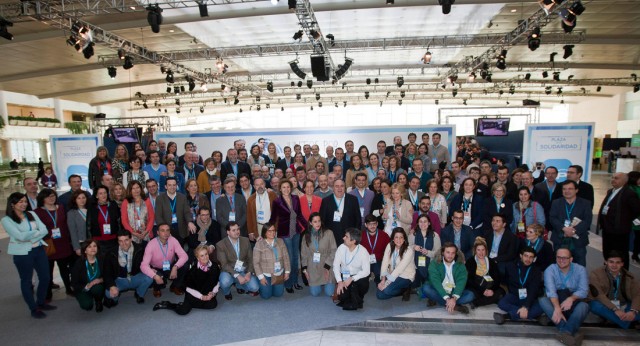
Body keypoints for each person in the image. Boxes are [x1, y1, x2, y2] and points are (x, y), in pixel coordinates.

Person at [2, 192, 55, 318]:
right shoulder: (7, 220)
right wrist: (36, 233)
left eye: (25, 201)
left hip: (39, 250)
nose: (24, 204)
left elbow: (44, 230)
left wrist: (31, 235)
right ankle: (33, 308)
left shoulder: (32, 214)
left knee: (45, 277)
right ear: (12, 204)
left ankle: (41, 302)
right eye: (20, 202)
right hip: (22, 254)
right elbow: (19, 236)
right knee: (26, 281)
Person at [538, 248, 590, 346]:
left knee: (584, 306)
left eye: (565, 258)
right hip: (557, 301)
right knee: (543, 301)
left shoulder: (580, 270)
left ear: (571, 259)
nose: (561, 260)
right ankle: (569, 332)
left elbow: (583, 291)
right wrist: (557, 308)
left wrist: (571, 299)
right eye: (559, 257)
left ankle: (564, 333)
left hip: (574, 301)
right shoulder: (550, 269)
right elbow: (551, 291)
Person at [153, 245, 221, 315]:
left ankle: (188, 304)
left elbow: (217, 282)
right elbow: (188, 288)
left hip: (206, 292)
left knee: (213, 305)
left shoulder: (215, 266)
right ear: (198, 258)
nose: (205, 257)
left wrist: (213, 293)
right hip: (194, 293)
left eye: (206, 254)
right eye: (202, 256)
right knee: (183, 311)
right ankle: (168, 304)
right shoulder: (193, 271)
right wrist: (201, 297)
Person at [34, 188, 75, 299]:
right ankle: (48, 292)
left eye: (53, 196)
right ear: (42, 199)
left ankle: (68, 288)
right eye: (48, 196)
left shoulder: (61, 208)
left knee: (64, 269)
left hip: (63, 243)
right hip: (48, 244)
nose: (51, 198)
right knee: (48, 270)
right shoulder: (37, 212)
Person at [269, 180, 307, 293]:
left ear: (291, 188)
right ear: (280, 189)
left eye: (288, 187)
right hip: (284, 233)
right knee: (289, 258)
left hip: (296, 231)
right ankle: (288, 283)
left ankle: (295, 281)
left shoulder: (295, 198)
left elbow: (299, 215)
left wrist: (308, 226)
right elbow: (273, 218)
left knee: (296, 258)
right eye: (283, 187)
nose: (286, 189)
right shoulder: (277, 201)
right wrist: (267, 230)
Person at [588, 250, 640, 329]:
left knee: (636, 306)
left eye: (617, 262)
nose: (614, 265)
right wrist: (615, 309)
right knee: (593, 305)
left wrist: (633, 311)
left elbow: (637, 294)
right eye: (611, 262)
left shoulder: (630, 276)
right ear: (606, 262)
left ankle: (619, 319)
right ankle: (627, 323)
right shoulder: (595, 274)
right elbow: (599, 295)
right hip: (606, 305)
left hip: (624, 304)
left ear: (622, 264)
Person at [598, 173, 640, 270]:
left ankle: (623, 276)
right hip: (607, 230)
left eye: (616, 178)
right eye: (612, 177)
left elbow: (637, 210)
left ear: (624, 181)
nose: (613, 180)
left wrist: (625, 220)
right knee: (607, 252)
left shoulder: (629, 193)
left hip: (620, 231)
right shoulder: (610, 191)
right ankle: (608, 272)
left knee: (620, 255)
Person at [494, 246, 544, 325]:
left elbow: (533, 290)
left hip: (530, 297)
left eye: (531, 257)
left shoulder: (536, 270)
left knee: (542, 307)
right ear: (521, 256)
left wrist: (526, 306)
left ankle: (507, 316)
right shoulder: (510, 266)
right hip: (515, 295)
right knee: (502, 303)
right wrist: (524, 309)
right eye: (526, 256)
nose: (528, 259)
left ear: (534, 259)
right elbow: (506, 281)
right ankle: (534, 316)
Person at [103, 231, 153, 307]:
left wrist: (152, 271)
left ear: (131, 239)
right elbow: (107, 273)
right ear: (118, 241)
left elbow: (145, 265)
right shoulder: (111, 253)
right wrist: (112, 286)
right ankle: (115, 299)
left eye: (126, 240)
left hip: (134, 277)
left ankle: (139, 294)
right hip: (119, 279)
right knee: (109, 293)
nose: (124, 243)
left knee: (149, 278)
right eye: (121, 241)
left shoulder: (139, 249)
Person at [550, 180, 593, 267]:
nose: (567, 191)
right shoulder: (556, 202)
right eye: (564, 189)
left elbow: (587, 220)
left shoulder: (585, 203)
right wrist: (564, 228)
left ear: (576, 190)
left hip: (578, 240)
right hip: (560, 238)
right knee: (559, 265)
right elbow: (552, 218)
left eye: (570, 189)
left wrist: (573, 231)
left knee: (579, 266)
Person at [423, 242, 473, 314]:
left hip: (453, 291)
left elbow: (461, 282)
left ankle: (445, 302)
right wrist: (446, 298)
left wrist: (454, 298)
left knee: (470, 295)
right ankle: (454, 305)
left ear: (456, 254)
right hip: (440, 290)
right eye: (448, 252)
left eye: (453, 253)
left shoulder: (460, 265)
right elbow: (436, 283)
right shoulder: (434, 264)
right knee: (426, 288)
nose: (450, 255)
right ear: (443, 252)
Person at [140, 223, 189, 297]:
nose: (165, 233)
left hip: (170, 266)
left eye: (167, 230)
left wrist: (175, 267)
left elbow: (184, 256)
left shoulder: (173, 240)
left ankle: (175, 286)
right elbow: (143, 266)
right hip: (156, 268)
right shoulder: (151, 244)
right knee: (153, 274)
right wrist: (155, 276)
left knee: (185, 265)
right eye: (162, 230)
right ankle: (157, 288)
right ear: (158, 232)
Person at [216, 222, 260, 300]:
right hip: (229, 271)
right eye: (234, 230)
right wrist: (238, 276)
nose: (237, 232)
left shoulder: (246, 240)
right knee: (224, 282)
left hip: (243, 270)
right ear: (228, 232)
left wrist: (249, 272)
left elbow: (250, 258)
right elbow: (224, 264)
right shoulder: (221, 244)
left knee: (255, 288)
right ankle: (227, 292)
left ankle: (239, 285)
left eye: (238, 229)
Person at [333, 227, 370, 310]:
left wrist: (352, 278)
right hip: (344, 276)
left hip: (358, 277)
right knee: (343, 297)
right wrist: (339, 281)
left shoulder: (363, 251)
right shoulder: (341, 248)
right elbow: (336, 266)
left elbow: (366, 271)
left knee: (361, 284)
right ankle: (354, 300)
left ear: (353, 241)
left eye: (346, 237)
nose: (343, 238)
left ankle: (356, 298)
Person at [300, 213, 337, 297]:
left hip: (326, 264)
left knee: (329, 293)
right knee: (315, 293)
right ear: (310, 223)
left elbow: (334, 251)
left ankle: (331, 283)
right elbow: (304, 254)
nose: (318, 224)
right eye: (315, 221)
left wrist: (327, 266)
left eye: (319, 221)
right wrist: (305, 269)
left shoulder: (329, 233)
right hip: (313, 266)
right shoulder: (306, 236)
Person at [252, 223, 291, 299]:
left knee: (278, 294)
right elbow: (256, 263)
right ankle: (258, 282)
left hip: (278, 273)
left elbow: (286, 257)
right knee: (266, 296)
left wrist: (287, 272)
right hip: (265, 274)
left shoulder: (280, 241)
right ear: (264, 232)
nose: (272, 233)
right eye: (269, 231)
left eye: (273, 230)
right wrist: (261, 277)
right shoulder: (259, 244)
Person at [376, 227, 415, 301]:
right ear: (393, 239)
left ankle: (405, 289)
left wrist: (387, 283)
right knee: (379, 295)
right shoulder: (389, 245)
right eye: (396, 237)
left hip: (405, 276)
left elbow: (399, 269)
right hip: (392, 274)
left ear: (404, 239)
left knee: (387, 290)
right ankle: (399, 289)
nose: (399, 240)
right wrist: (383, 280)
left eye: (401, 237)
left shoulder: (408, 250)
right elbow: (385, 262)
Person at [465, 237, 505, 308]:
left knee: (502, 292)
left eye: (483, 250)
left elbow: (497, 279)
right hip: (476, 287)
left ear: (486, 250)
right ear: (475, 250)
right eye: (478, 250)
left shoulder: (491, 262)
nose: (481, 252)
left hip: (489, 286)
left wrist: (491, 290)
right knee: (470, 295)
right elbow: (469, 280)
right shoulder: (470, 262)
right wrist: (483, 291)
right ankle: (492, 299)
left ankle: (477, 302)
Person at [319, 179, 362, 245]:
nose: (339, 188)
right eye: (337, 186)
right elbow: (322, 221)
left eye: (342, 186)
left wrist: (355, 236)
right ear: (333, 188)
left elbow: (358, 219)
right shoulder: (326, 201)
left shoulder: (353, 199)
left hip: (350, 238)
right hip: (332, 238)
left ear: (345, 187)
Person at [155, 177, 195, 246]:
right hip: (167, 230)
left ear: (177, 186)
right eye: (169, 185)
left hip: (180, 229)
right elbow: (158, 216)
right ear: (165, 186)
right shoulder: (160, 198)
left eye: (174, 185)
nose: (172, 187)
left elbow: (187, 212)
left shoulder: (182, 197)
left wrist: (190, 222)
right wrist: (165, 230)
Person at [71, 240, 104, 312]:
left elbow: (109, 275)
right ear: (85, 250)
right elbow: (74, 283)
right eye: (89, 247)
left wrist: (100, 280)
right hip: (83, 288)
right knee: (87, 306)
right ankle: (89, 299)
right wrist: (87, 286)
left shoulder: (102, 259)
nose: (93, 248)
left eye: (94, 246)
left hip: (97, 287)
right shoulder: (79, 263)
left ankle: (98, 300)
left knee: (98, 288)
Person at [86, 185, 121, 254]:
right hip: (98, 241)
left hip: (113, 240)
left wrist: (120, 236)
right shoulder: (92, 207)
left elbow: (119, 222)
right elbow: (88, 225)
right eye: (100, 193)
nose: (103, 195)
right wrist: (90, 241)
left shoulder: (113, 205)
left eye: (105, 193)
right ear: (96, 196)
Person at [120, 181, 155, 245]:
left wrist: (146, 231)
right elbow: (124, 220)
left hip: (146, 234)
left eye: (138, 187)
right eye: (133, 188)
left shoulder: (147, 200)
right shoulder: (126, 202)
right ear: (130, 190)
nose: (136, 190)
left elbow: (152, 217)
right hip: (132, 236)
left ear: (141, 188)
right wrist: (133, 232)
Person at [413, 213, 441, 292]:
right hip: (416, 265)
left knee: (429, 285)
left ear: (429, 223)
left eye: (425, 221)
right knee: (414, 285)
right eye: (420, 222)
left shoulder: (435, 235)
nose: (423, 224)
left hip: (431, 264)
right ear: (418, 223)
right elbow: (407, 250)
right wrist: (413, 247)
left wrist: (428, 253)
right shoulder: (412, 235)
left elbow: (438, 253)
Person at [484, 213, 518, 278]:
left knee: (500, 271)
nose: (494, 223)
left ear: (504, 224)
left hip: (501, 260)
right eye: (493, 220)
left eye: (498, 221)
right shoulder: (487, 233)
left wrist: (495, 260)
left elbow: (510, 254)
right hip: (487, 258)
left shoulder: (511, 237)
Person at [67, 190, 89, 257]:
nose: (81, 200)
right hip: (81, 243)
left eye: (83, 198)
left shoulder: (91, 210)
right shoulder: (71, 213)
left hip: (91, 241)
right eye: (78, 198)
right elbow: (72, 232)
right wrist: (77, 248)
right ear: (74, 200)